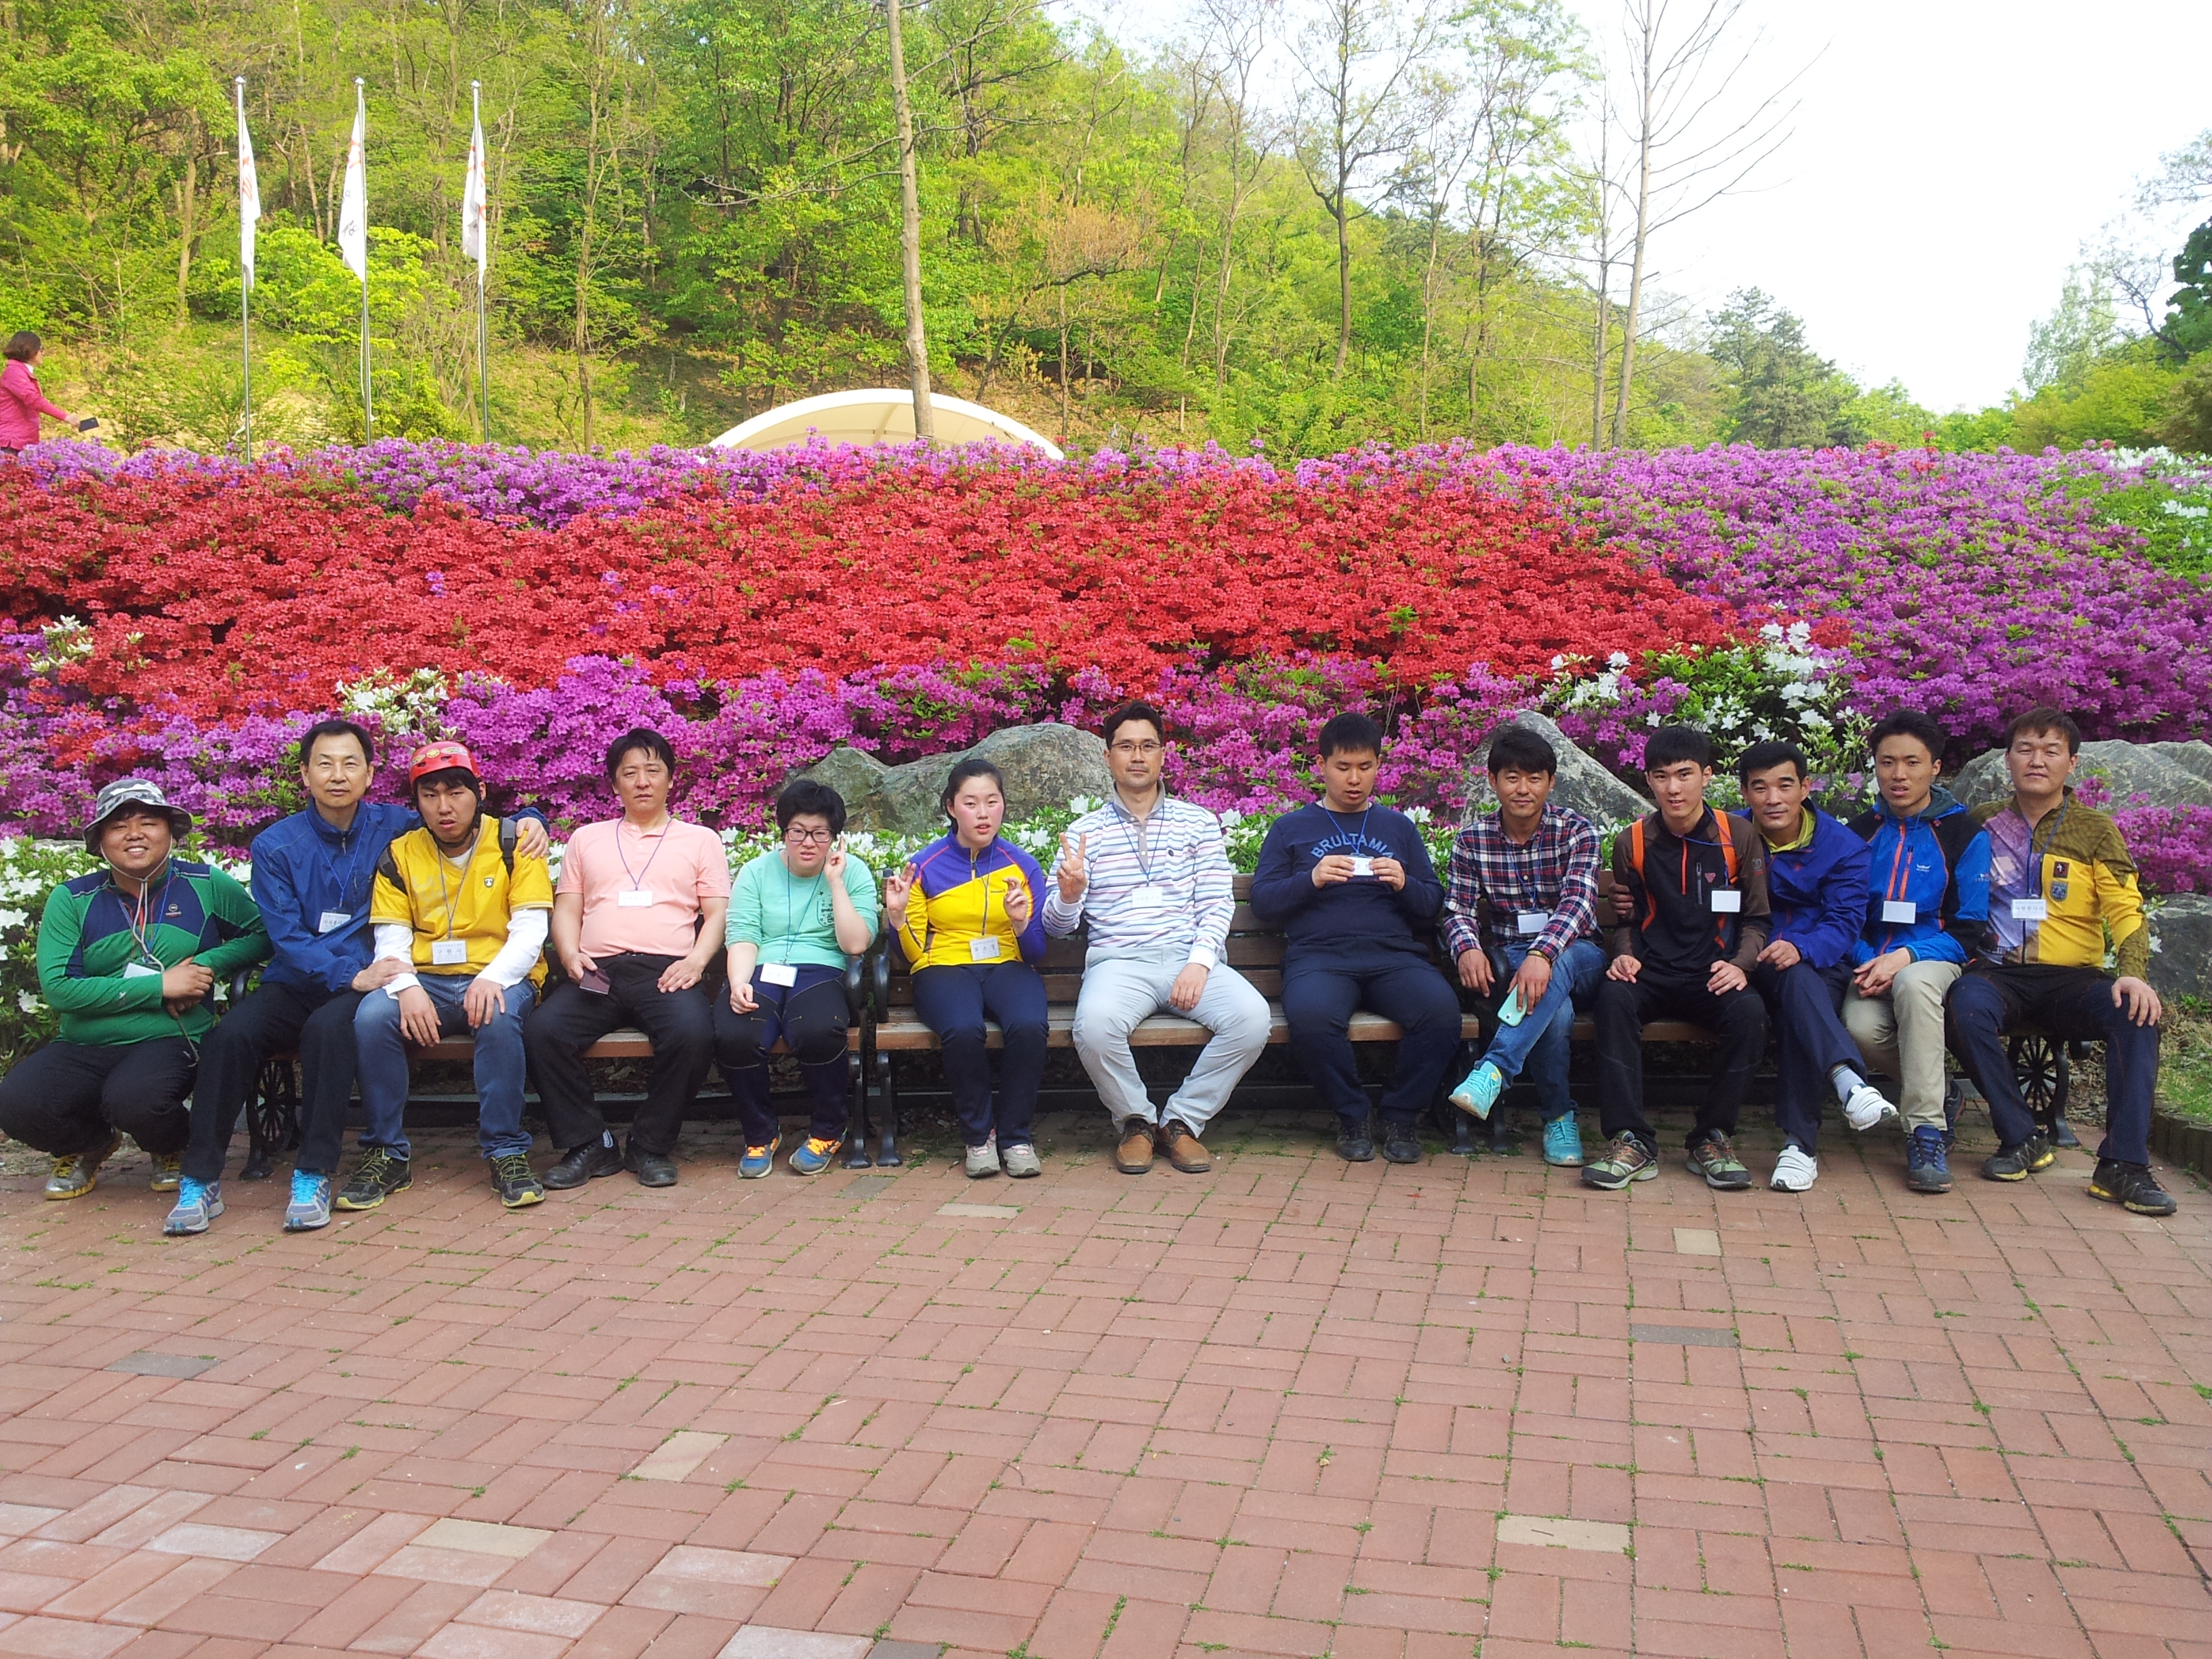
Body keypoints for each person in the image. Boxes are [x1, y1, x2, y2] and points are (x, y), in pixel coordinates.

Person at [173, 720, 549, 1236]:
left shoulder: (395, 825)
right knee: (229, 1036)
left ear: (370, 774)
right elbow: (286, 936)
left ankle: (314, 1172)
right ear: (304, 774)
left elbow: (466, 814)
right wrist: (354, 976)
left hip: (371, 980)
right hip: (313, 978)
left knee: (332, 1031)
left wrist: (531, 820)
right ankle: (199, 1179)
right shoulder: (276, 845)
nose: (337, 775)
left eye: (350, 764)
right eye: (325, 764)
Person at [1945, 707, 2175, 1214]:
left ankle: (2123, 1164)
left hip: (2073, 980)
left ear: (2072, 763)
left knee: (2136, 1016)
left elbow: (2127, 910)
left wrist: (2133, 975)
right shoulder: (1981, 824)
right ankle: (2021, 1135)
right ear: (2007, 759)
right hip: (1999, 974)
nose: (2037, 760)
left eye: (2051, 751)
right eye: (2025, 749)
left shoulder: (2095, 830)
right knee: (1962, 1004)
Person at [0, 781, 268, 1202]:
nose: (135, 834)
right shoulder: (72, 899)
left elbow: (262, 936)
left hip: (171, 1037)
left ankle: (171, 1145)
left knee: (136, 1101)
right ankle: (89, 1143)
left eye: (148, 822)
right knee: (15, 1103)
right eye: (119, 826)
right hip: (85, 1042)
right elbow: (60, 989)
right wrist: (160, 985)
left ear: (170, 831)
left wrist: (205, 965)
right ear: (100, 842)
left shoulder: (205, 884)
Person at [1045, 701, 1269, 1176]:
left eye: (1148, 746)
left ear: (1163, 755)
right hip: (1119, 963)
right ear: (1108, 756)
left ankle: (1182, 1122)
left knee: (1252, 1019)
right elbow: (1056, 927)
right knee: (1095, 1027)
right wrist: (1069, 895)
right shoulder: (1084, 834)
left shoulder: (1198, 822)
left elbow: (1217, 903)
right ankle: (1137, 1122)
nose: (1137, 756)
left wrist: (1200, 962)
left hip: (1190, 959)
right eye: (1126, 746)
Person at [351, 742, 556, 1212]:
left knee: (497, 1017)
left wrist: (493, 978)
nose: (444, 807)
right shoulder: (400, 854)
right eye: (430, 795)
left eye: (456, 792)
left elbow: (531, 932)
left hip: (502, 975)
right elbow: (391, 938)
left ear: (479, 792)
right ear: (417, 802)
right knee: (372, 1017)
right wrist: (405, 989)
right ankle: (386, 1153)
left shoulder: (514, 842)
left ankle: (506, 1150)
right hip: (426, 979)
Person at [525, 729, 729, 1191]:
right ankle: (589, 1143)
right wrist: (570, 953)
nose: (642, 782)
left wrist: (696, 962)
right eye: (630, 772)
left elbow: (717, 913)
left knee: (693, 1035)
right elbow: (568, 908)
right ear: (614, 783)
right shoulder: (586, 839)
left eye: (653, 771)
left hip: (667, 971)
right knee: (543, 1032)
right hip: (597, 972)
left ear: (670, 780)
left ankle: (649, 1144)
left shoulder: (700, 841)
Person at [1250, 712, 1456, 1166]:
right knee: (1312, 1017)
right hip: (1319, 958)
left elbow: (1432, 903)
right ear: (1321, 766)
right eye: (1343, 767)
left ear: (1379, 765)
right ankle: (1353, 1116)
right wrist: (1311, 878)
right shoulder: (1291, 828)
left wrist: (1404, 882)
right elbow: (1263, 901)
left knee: (1441, 1013)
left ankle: (1401, 1115)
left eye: (1365, 767)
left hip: (1393, 957)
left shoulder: (1398, 828)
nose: (1354, 779)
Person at [1587, 725, 1770, 1192]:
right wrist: (1624, 957)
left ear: (1707, 776)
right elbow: (1627, 921)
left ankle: (1711, 1137)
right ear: (1649, 780)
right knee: (1612, 1000)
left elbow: (1757, 918)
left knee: (1750, 1014)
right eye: (1662, 776)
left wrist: (1741, 965)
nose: (1674, 788)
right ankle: (1632, 1141)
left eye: (1685, 774)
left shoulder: (1739, 835)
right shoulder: (1633, 841)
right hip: (1652, 972)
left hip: (1714, 973)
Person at [1441, 724, 1606, 1169]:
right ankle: (1559, 1118)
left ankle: (1493, 1069)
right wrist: (1467, 948)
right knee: (1556, 1013)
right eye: (1512, 777)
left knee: (1555, 970)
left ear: (1551, 783)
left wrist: (1542, 954)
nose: (1523, 789)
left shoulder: (1577, 832)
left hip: (1581, 954)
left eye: (1534, 778)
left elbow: (1578, 904)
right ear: (1493, 780)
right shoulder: (1472, 840)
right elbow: (1456, 910)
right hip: (1513, 959)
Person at [1736, 739, 1894, 1194]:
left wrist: (1800, 947)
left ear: (1806, 787)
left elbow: (1845, 923)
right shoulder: (1730, 835)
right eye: (1760, 787)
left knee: (1801, 997)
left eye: (1785, 785)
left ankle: (1800, 1146)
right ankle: (1845, 1084)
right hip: (1748, 958)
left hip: (1818, 961)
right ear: (1745, 792)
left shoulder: (1843, 847)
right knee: (1799, 991)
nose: (1773, 799)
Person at [1842, 710, 1990, 1195]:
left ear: (1935, 768)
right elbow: (1843, 913)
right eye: (1887, 763)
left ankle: (1926, 1132)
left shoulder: (1964, 834)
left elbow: (1970, 928)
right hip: (1870, 960)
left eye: (1912, 763)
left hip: (1935, 959)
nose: (1899, 775)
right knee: (1860, 1026)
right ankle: (1941, 1092)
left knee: (1912, 982)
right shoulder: (1858, 832)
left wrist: (1904, 958)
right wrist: (1869, 958)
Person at [884, 758, 1050, 1178]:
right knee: (962, 1028)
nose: (983, 814)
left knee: (1029, 1025)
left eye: (992, 802)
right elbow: (912, 954)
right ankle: (979, 1137)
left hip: (1006, 964)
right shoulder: (924, 865)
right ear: (951, 807)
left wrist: (1020, 923)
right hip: (944, 967)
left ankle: (1015, 1137)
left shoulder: (1022, 865)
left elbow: (1035, 952)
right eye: (971, 803)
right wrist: (898, 919)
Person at [715, 779, 878, 1178]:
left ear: (835, 837)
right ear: (783, 831)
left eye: (820, 833)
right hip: (762, 968)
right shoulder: (756, 873)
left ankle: (828, 1129)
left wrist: (835, 883)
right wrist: (738, 982)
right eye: (798, 832)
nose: (808, 843)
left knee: (818, 1028)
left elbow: (856, 943)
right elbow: (743, 935)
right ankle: (760, 1134)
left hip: (822, 968)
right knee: (736, 1031)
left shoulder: (853, 872)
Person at [0, 332, 89, 454]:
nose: (43, 353)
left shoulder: (21, 372)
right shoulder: (14, 372)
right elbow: (34, 400)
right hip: (11, 443)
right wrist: (65, 417)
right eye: (41, 349)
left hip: (23, 441)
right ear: (30, 349)